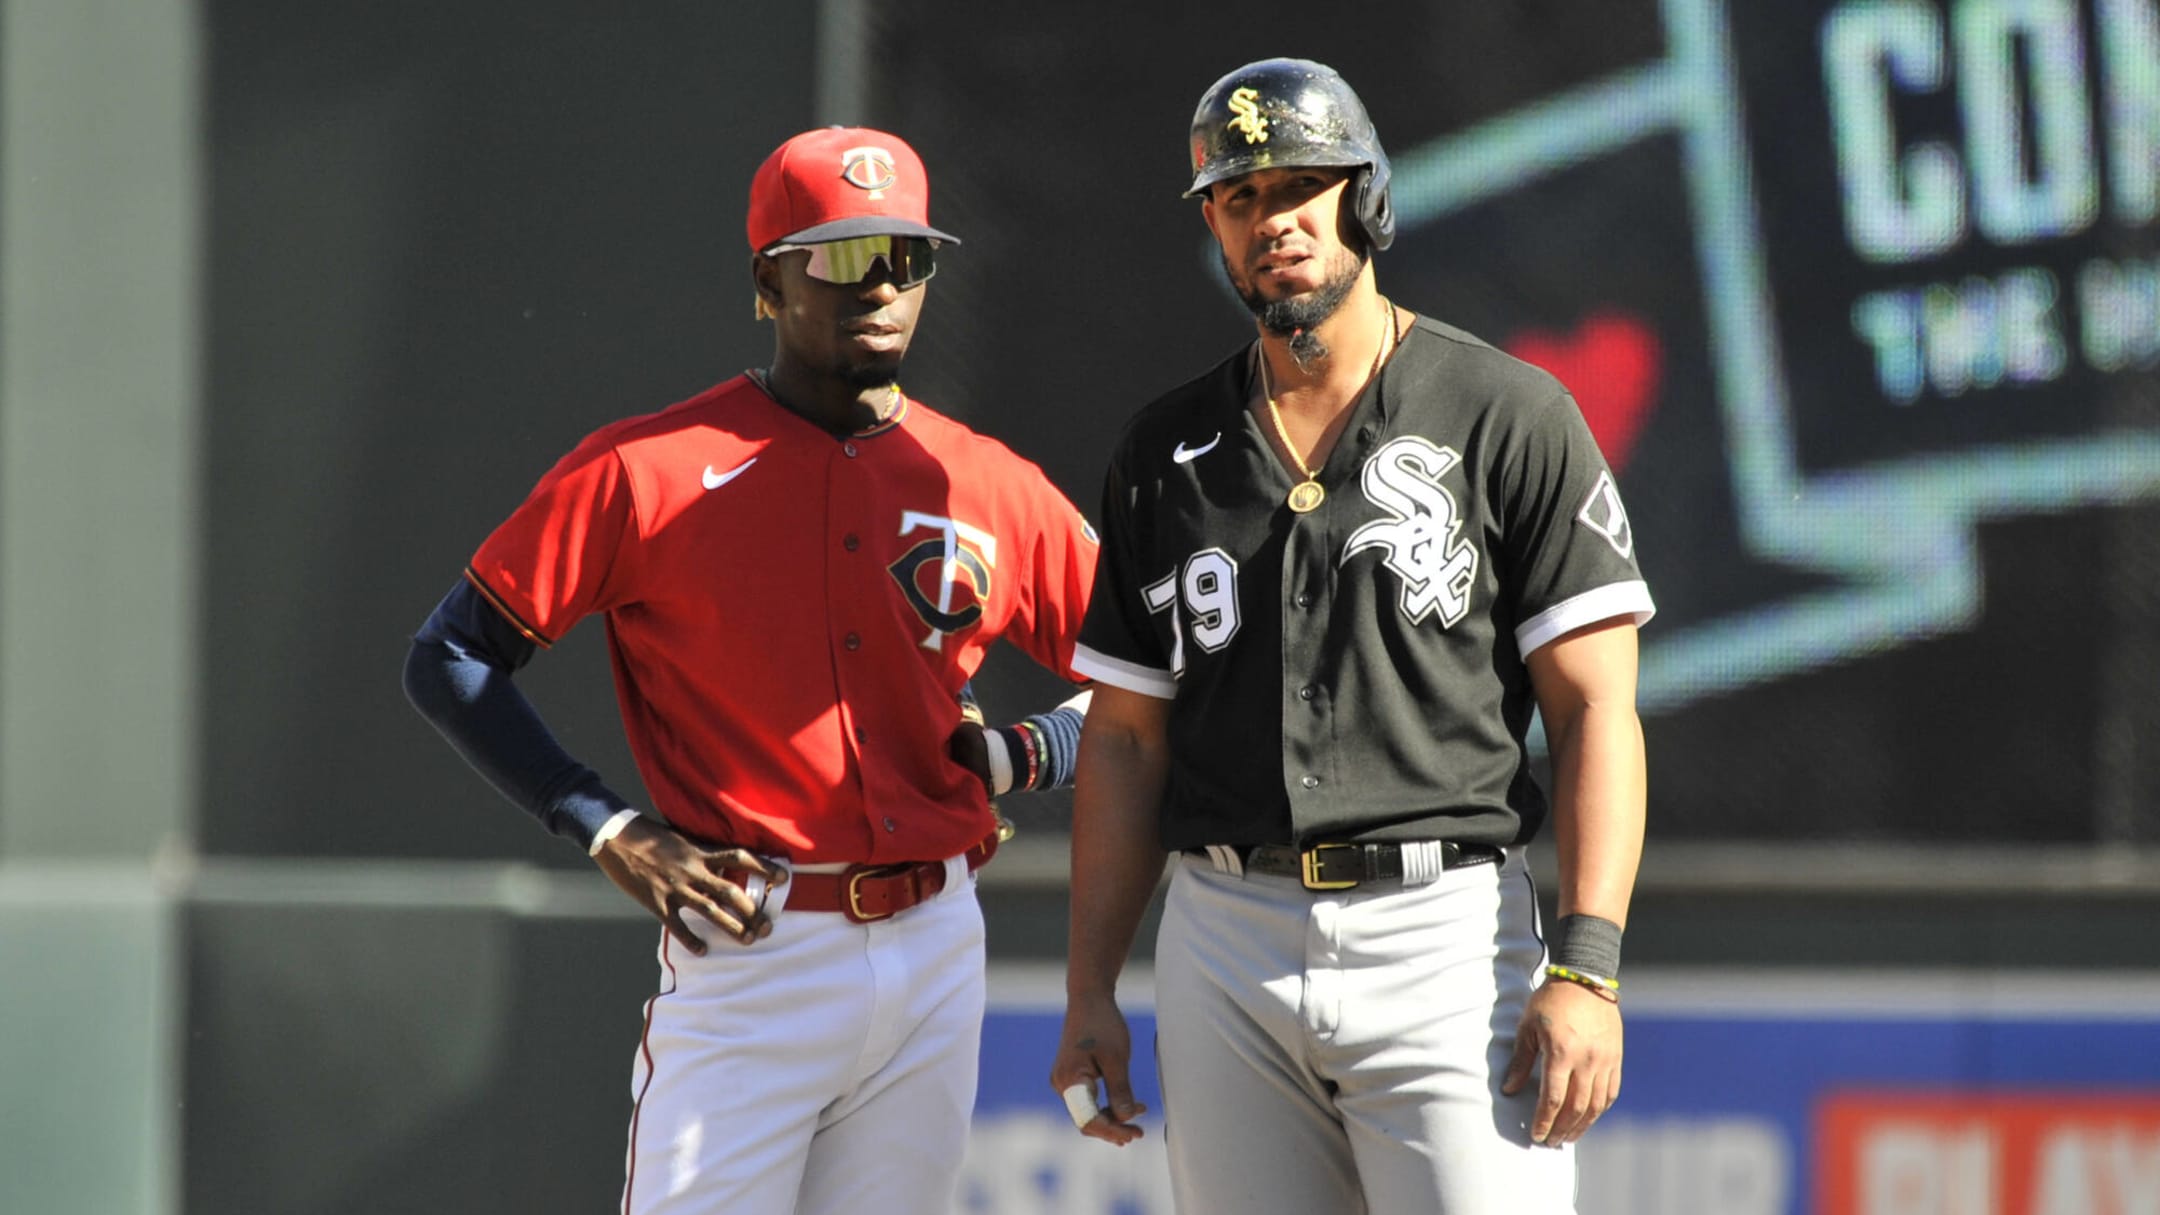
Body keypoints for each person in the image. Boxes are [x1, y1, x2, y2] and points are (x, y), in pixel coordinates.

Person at [402, 125, 1095, 1215]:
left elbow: (1177, 678)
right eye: (841, 253)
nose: (880, 284)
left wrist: (1042, 748)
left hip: (939, 942)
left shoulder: (989, 483)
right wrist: (606, 826)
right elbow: (449, 656)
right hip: (754, 944)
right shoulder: (648, 469)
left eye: (904, 255)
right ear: (767, 282)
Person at [1048, 58, 1654, 1214]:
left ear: (1365, 197)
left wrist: (1586, 965)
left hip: (1446, 935)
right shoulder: (1163, 451)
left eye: (1299, 186)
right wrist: (1089, 994)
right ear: (1216, 233)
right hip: (1225, 934)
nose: (1272, 220)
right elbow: (1125, 742)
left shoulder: (1508, 413)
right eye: (1239, 198)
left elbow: (1594, 711)